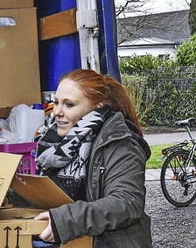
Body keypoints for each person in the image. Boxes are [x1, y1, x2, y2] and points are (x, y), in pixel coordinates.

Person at [33, 68, 152, 247]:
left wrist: (66, 221)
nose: (57, 112)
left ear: (98, 105)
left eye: (69, 104)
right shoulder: (53, 143)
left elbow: (127, 203)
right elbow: (49, 194)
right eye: (56, 102)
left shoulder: (120, 143)